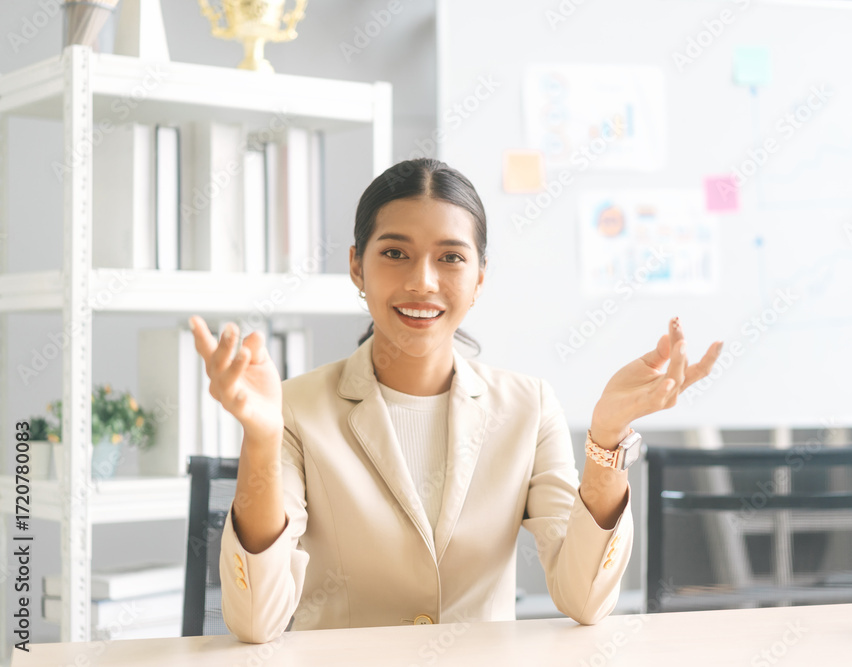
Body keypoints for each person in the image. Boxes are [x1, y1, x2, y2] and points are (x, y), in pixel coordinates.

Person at [188, 158, 723, 644]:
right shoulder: (296, 409)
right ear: (357, 266)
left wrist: (607, 438)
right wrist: (259, 438)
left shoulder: (528, 407)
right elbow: (256, 621)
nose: (422, 282)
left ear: (479, 278)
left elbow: (584, 599)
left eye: (450, 258)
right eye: (395, 253)